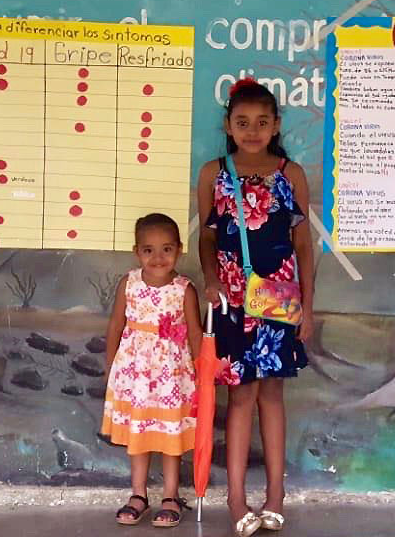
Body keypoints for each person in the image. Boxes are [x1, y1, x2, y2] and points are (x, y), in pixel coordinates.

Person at [196, 79, 315, 537]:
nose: (251, 131)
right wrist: (209, 279)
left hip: (280, 299)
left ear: (276, 126)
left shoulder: (291, 172)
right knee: (239, 395)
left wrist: (309, 304)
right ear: (228, 125)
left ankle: (275, 497)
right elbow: (206, 235)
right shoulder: (213, 172)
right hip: (230, 298)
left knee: (272, 394)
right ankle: (236, 499)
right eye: (242, 122)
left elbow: (302, 243)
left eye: (261, 123)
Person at [102, 213, 203, 528]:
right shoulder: (128, 283)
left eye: (166, 249)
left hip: (172, 378)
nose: (158, 258)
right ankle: (138, 495)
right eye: (149, 250)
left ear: (179, 250)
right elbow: (116, 325)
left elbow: (196, 335)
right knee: (139, 435)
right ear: (137, 252)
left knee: (170, 437)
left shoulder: (184, 289)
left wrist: (202, 375)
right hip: (134, 377)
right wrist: (111, 369)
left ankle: (171, 496)